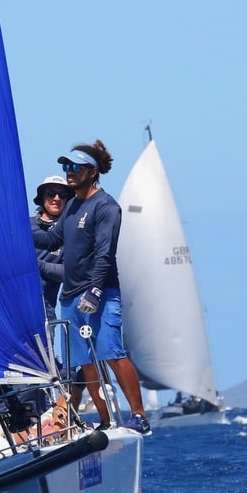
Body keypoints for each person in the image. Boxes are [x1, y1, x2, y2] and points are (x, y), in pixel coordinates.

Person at [31, 140, 150, 434]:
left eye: (74, 168)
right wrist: (18, 225)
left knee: (111, 352)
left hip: (99, 293)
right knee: (84, 361)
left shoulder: (105, 206)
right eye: (65, 167)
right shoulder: (72, 205)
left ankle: (139, 414)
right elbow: (50, 240)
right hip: (70, 297)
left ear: (92, 172)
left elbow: (105, 253)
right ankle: (106, 420)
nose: (68, 173)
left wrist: (95, 291)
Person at [31, 175, 72, 322]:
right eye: (51, 193)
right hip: (8, 306)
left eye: (62, 194)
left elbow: (70, 274)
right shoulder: (23, 226)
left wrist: (37, 265)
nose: (56, 198)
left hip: (43, 313)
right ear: (42, 197)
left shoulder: (71, 234)